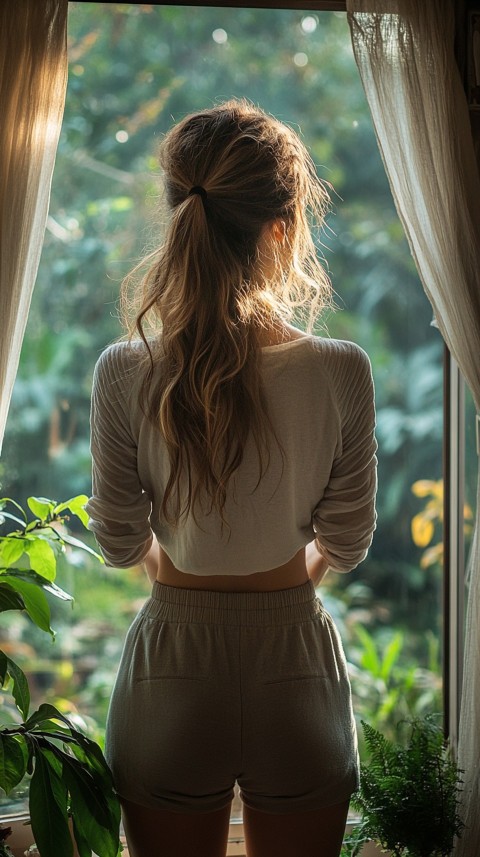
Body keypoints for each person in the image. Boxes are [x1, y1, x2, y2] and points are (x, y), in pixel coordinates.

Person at [86, 99, 377, 857]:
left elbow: (120, 542)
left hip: (170, 668)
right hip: (297, 666)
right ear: (281, 228)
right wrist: (282, 567)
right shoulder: (342, 370)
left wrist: (183, 563)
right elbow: (344, 544)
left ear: (181, 211)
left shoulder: (122, 371)